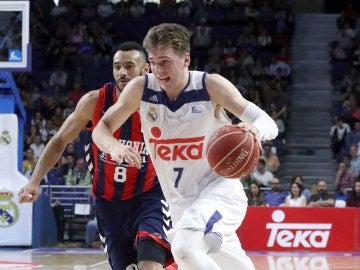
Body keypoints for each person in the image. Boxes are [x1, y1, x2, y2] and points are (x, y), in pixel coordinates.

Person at [92, 23, 278, 270]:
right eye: (154, 62)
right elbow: (101, 128)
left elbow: (268, 123)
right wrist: (114, 147)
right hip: (181, 204)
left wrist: (255, 130)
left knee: (184, 249)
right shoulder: (141, 89)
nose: (158, 70)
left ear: (186, 59)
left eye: (165, 62)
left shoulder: (210, 86)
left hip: (219, 192)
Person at [18, 42, 173, 270]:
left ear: (146, 69)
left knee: (150, 263)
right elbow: (59, 141)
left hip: (149, 196)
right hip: (109, 205)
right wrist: (34, 181)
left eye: (129, 66)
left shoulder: (161, 103)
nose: (122, 72)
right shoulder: (93, 102)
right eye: (117, 66)